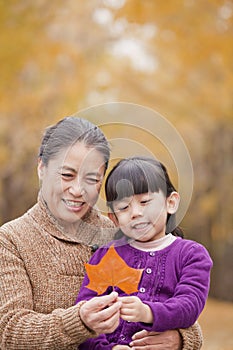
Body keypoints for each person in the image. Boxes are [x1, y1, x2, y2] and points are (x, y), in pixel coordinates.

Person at [0, 117, 202, 350]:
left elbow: (174, 301)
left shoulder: (121, 233)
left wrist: (181, 338)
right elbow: (9, 330)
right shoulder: (11, 240)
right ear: (42, 168)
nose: (77, 190)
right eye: (67, 175)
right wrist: (79, 322)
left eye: (92, 179)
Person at [77, 156, 213, 349]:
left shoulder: (191, 255)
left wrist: (148, 312)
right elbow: (85, 314)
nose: (135, 213)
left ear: (170, 202)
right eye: (124, 207)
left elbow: (189, 305)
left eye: (145, 202)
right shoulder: (108, 255)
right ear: (114, 219)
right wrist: (108, 348)